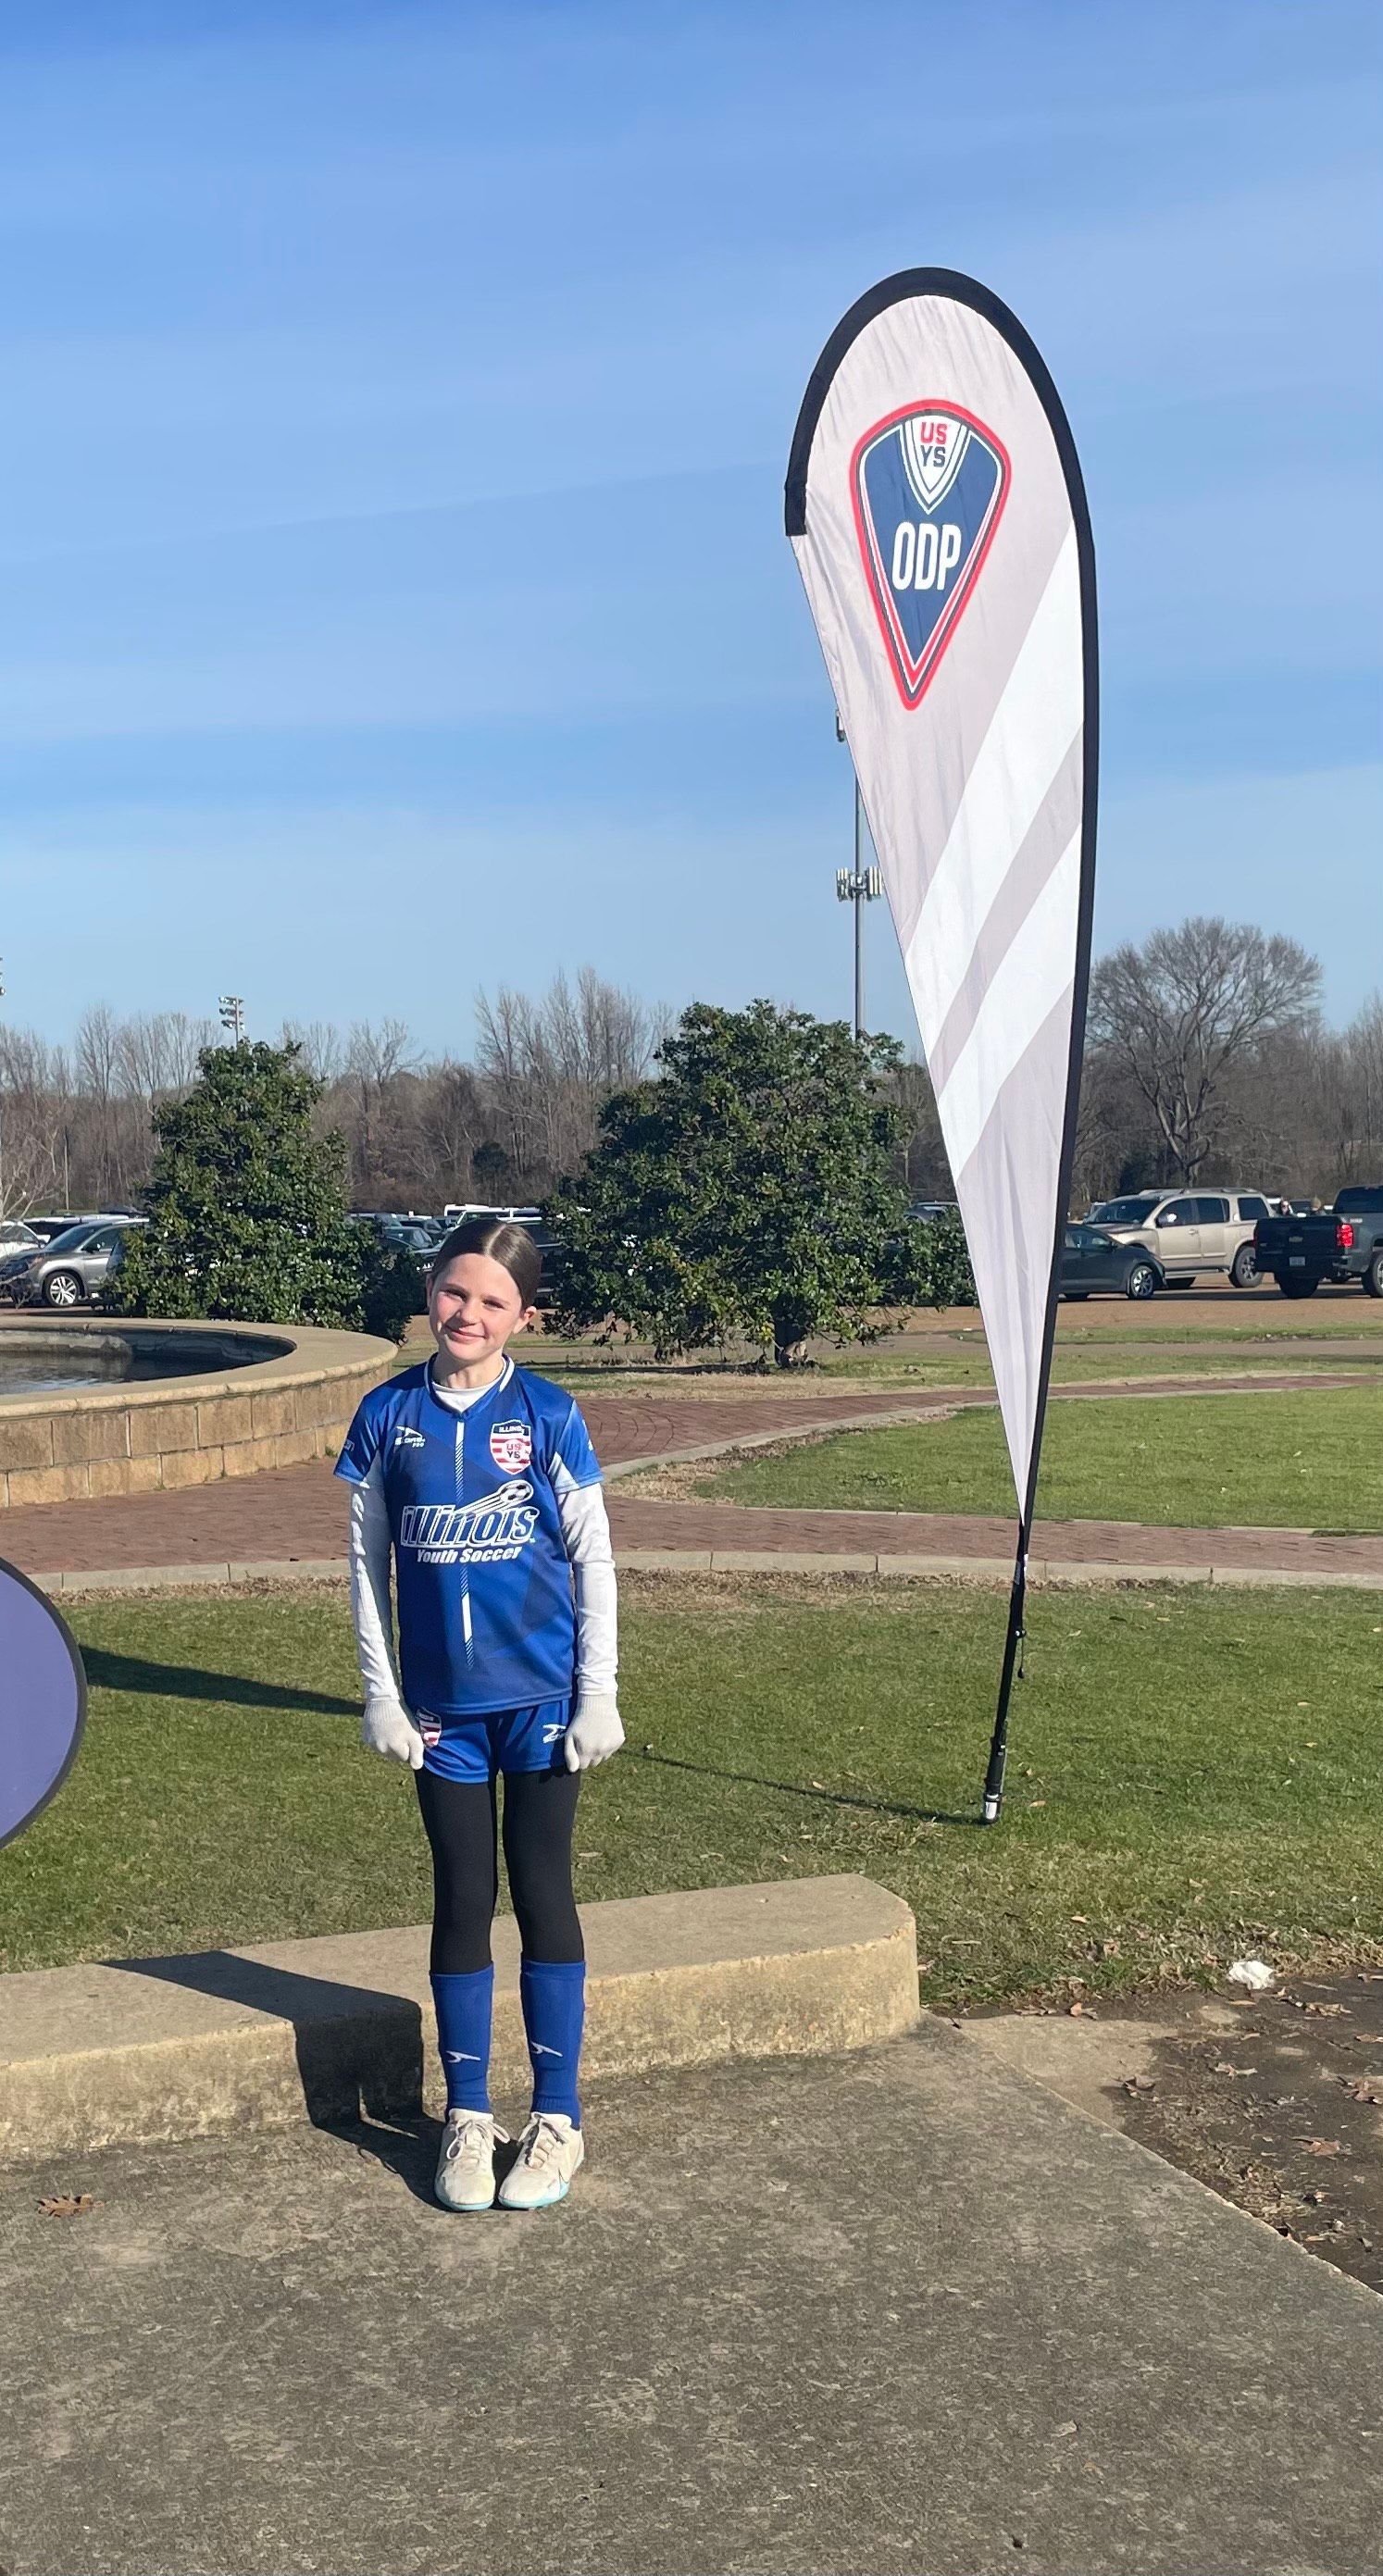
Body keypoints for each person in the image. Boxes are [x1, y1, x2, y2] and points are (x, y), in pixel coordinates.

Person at [334, 1215, 622, 2213]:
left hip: (541, 1705)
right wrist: (382, 1690)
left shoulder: (549, 1413)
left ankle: (556, 2116)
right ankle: (465, 2113)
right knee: (462, 1896)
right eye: (456, 1292)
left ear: (523, 1317)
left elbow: (594, 1560)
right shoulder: (385, 1416)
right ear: (431, 1293)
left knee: (543, 1891)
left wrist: (599, 1692)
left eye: (494, 1301)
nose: (469, 1313)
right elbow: (367, 1568)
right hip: (442, 1717)